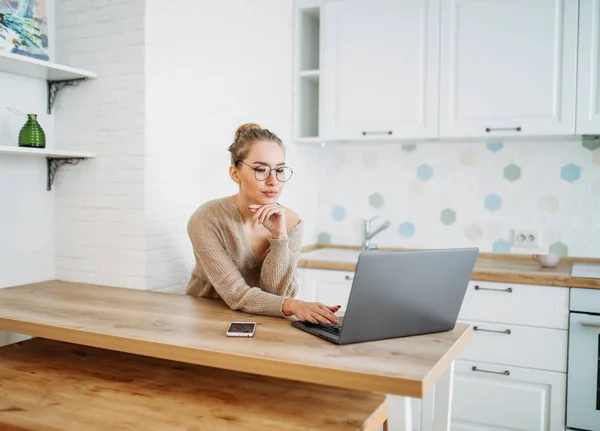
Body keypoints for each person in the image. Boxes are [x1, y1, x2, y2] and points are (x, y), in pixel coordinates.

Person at [185, 123, 341, 325]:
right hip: (207, 320)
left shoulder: (291, 222)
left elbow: (277, 294)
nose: (273, 181)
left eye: (280, 170)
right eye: (261, 169)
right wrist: (295, 305)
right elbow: (236, 294)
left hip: (263, 321)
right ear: (235, 174)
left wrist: (279, 238)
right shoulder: (206, 219)